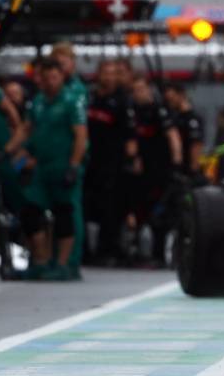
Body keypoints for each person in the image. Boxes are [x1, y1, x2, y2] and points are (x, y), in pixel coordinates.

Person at [19, 58, 87, 281]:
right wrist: (11, 153)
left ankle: (64, 264)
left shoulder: (71, 101)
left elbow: (80, 136)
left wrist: (74, 166)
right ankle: (40, 260)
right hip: (40, 166)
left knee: (63, 212)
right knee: (30, 210)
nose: (50, 82)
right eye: (45, 77)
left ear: (62, 77)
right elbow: (26, 130)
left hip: (62, 164)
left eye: (54, 77)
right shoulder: (37, 101)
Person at [84, 60, 135, 265]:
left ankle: (107, 250)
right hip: (89, 159)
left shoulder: (123, 101)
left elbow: (130, 135)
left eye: (113, 73)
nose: (109, 77)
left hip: (112, 162)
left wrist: (130, 161)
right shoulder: (90, 97)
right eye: (105, 72)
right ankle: (84, 251)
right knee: (86, 205)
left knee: (110, 208)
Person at [128, 78, 182, 267]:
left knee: (160, 215)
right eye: (134, 90)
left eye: (141, 89)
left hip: (161, 170)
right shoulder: (133, 112)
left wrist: (176, 165)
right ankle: (140, 252)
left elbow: (173, 137)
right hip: (140, 172)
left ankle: (159, 255)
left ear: (149, 91)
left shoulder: (159, 111)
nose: (138, 93)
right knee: (139, 211)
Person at [49, 42, 88, 275]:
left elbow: (80, 132)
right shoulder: (48, 91)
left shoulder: (76, 91)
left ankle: (71, 260)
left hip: (70, 157)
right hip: (50, 160)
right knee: (56, 209)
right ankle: (54, 258)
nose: (60, 66)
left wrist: (74, 163)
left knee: (70, 208)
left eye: (63, 62)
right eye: (56, 62)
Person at [0, 77, 25, 264]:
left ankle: (22, 250)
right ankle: (2, 256)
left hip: (1, 155)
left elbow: (14, 118)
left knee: (16, 201)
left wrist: (10, 147)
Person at [163, 84, 205, 180]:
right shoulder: (174, 118)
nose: (170, 102)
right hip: (178, 169)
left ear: (181, 95)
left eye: (172, 98)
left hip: (188, 170)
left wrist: (194, 171)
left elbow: (196, 145)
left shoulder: (193, 119)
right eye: (168, 100)